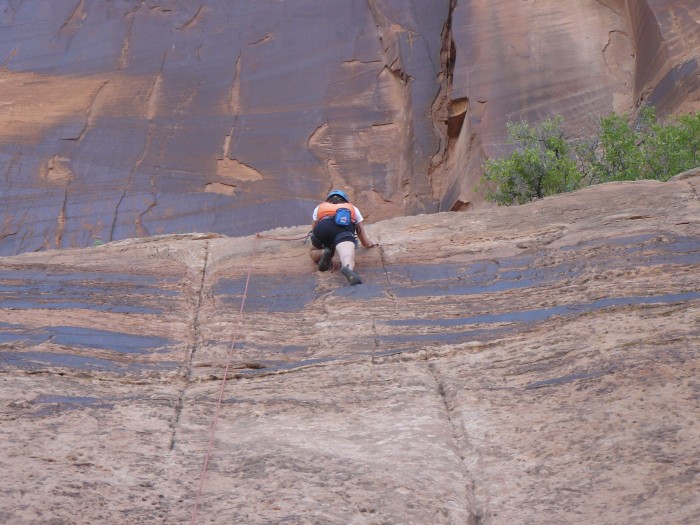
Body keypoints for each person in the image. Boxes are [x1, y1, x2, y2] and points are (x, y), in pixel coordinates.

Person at [309, 189, 376, 285]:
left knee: (313, 251)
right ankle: (347, 267)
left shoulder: (320, 207)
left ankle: (325, 252)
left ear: (328, 199)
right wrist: (370, 244)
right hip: (343, 230)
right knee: (347, 255)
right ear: (345, 200)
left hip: (323, 228)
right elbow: (364, 241)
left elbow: (314, 231)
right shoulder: (353, 209)